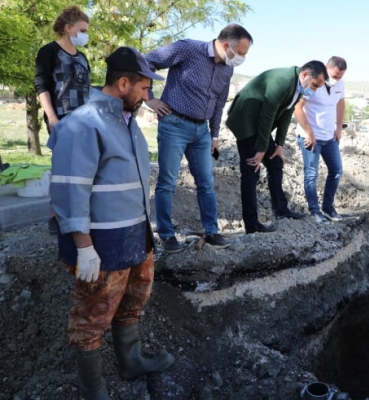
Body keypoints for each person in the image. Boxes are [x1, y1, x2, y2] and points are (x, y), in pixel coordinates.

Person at [48, 47, 173, 399]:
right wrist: (83, 247)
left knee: (132, 302)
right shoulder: (84, 124)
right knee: (92, 315)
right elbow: (71, 190)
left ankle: (130, 361)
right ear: (123, 83)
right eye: (145, 89)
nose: (148, 96)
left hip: (135, 235)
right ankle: (93, 389)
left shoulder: (126, 121)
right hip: (101, 244)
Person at [144, 24, 253, 253]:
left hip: (201, 132)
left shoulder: (227, 70)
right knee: (167, 183)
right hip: (174, 124)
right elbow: (147, 61)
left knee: (206, 184)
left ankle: (211, 231)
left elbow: (219, 103)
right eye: (241, 52)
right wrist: (149, 98)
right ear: (226, 45)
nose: (242, 58)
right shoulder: (188, 49)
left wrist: (214, 135)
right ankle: (166, 235)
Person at [225, 61, 328, 234]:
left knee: (275, 163)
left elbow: (287, 114)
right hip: (246, 121)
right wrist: (261, 149)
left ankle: (281, 210)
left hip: (259, 124)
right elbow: (267, 114)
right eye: (314, 85)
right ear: (304, 75)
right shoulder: (283, 81)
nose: (315, 90)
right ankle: (251, 225)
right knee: (251, 171)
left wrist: (279, 145)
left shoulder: (297, 87)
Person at [34, 5, 91, 234]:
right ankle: (55, 215)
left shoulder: (83, 57)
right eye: (83, 29)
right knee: (63, 168)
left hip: (85, 121)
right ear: (69, 29)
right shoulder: (49, 52)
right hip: (62, 119)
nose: (86, 34)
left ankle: (79, 213)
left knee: (83, 168)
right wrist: (51, 117)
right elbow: (41, 86)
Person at [293, 56, 347, 223]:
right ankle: (314, 211)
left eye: (340, 77)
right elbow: (298, 107)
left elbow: (340, 104)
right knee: (311, 174)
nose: (336, 79)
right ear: (326, 68)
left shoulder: (339, 84)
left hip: (329, 136)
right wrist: (309, 133)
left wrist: (338, 128)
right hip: (310, 137)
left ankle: (328, 207)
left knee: (336, 170)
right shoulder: (314, 83)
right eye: (335, 75)